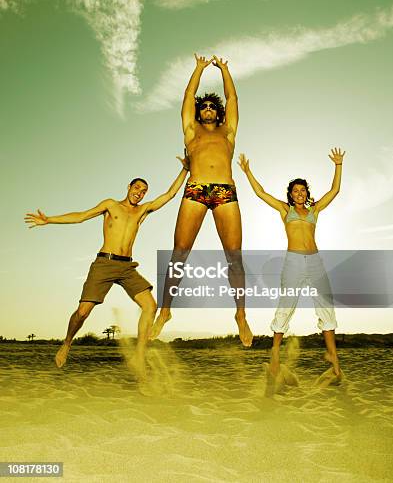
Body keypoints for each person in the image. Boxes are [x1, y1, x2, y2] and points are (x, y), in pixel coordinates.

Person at [24, 156, 190, 373]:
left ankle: (139, 355)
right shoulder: (110, 205)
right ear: (129, 187)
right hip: (105, 263)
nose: (139, 192)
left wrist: (185, 170)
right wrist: (49, 220)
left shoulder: (142, 211)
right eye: (137, 187)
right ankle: (66, 343)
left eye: (144, 191)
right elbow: (81, 216)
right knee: (83, 312)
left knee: (150, 306)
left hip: (128, 267)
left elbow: (170, 195)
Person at [150, 54, 253, 346]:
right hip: (195, 189)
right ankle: (165, 310)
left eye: (212, 106)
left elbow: (232, 97)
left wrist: (224, 70)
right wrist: (197, 69)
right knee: (179, 253)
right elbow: (187, 95)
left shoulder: (228, 133)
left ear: (218, 112)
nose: (207, 108)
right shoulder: (190, 132)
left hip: (224, 191)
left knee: (234, 257)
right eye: (203, 106)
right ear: (198, 112)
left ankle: (241, 315)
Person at [239, 148, 345, 379]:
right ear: (290, 194)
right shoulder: (284, 210)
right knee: (286, 305)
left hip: (315, 261)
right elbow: (260, 192)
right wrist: (248, 172)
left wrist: (338, 165)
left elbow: (335, 190)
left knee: (326, 305)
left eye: (302, 189)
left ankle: (333, 357)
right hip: (294, 262)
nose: (299, 193)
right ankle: (275, 352)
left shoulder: (314, 210)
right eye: (295, 190)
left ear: (307, 192)